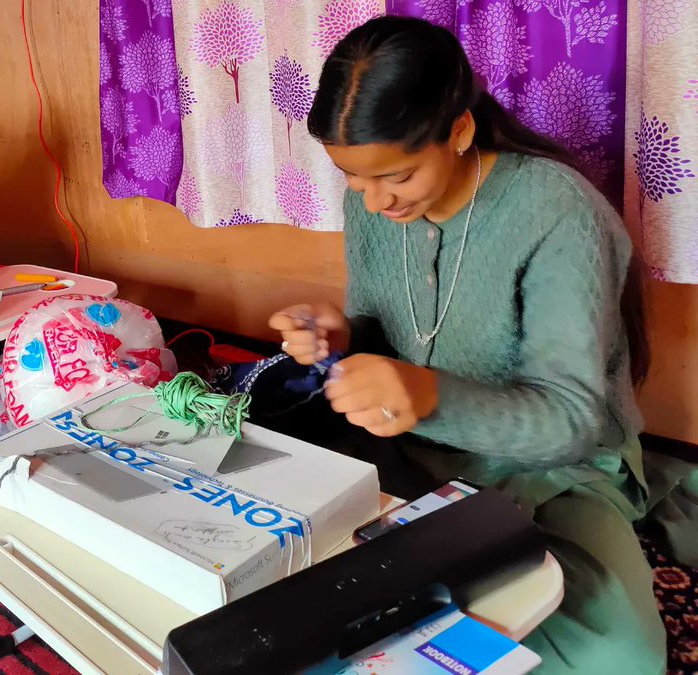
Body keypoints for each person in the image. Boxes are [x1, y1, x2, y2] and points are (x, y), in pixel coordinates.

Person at [268, 17, 691, 674]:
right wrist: (340, 335)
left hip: (552, 471)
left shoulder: (556, 210)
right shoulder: (374, 203)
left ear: (459, 131)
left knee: (622, 658)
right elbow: (384, 329)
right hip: (406, 456)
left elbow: (572, 419)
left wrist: (426, 393)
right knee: (282, 582)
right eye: (355, 180)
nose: (375, 202)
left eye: (398, 177)